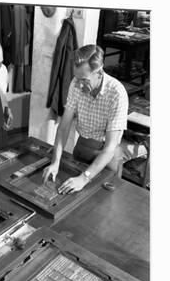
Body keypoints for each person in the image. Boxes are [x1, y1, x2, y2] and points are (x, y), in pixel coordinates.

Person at [42, 44, 128, 194]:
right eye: (77, 78)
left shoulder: (117, 93)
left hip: (106, 156)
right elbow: (63, 128)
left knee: (101, 205)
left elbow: (109, 148)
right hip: (82, 145)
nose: (80, 85)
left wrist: (84, 178)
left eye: (84, 80)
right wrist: (55, 162)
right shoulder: (76, 84)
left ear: (99, 73)